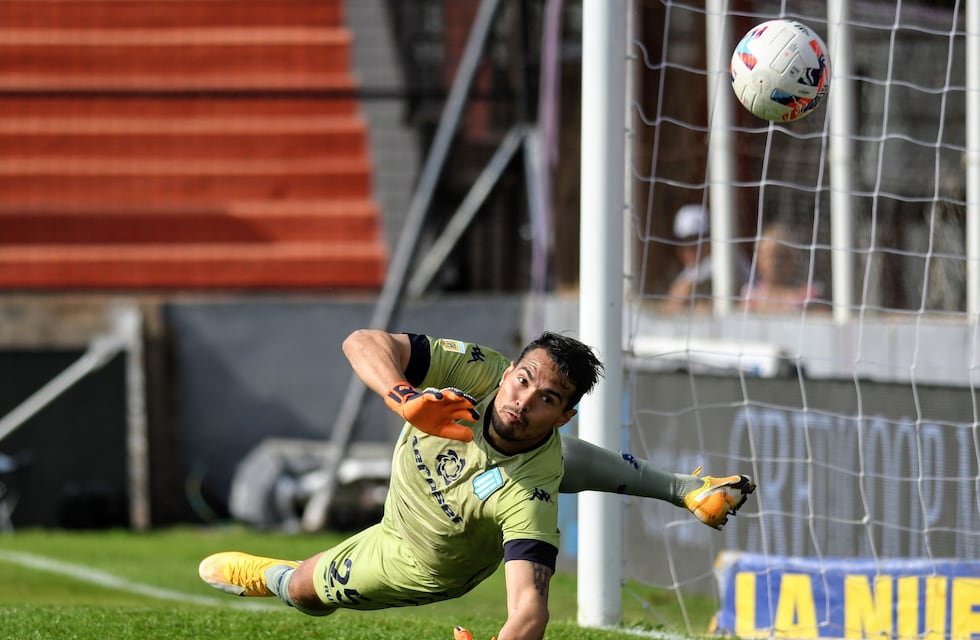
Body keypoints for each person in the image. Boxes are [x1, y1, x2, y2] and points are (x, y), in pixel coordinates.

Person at [199, 329, 755, 640]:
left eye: (548, 400)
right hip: (440, 492)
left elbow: (530, 612)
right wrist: (404, 396)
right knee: (556, 460)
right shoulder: (478, 372)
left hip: (415, 555)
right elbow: (359, 341)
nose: (523, 400)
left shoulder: (530, 498)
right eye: (524, 380)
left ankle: (273, 578)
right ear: (510, 368)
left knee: (304, 590)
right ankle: (685, 487)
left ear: (563, 415)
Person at [664, 204, 751, 312]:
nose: (689, 248)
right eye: (685, 243)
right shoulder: (691, 269)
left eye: (696, 240)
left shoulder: (725, 257)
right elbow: (671, 303)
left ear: (710, 239)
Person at [741, 221, 823, 313]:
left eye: (781, 256)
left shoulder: (808, 298)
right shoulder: (751, 298)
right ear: (758, 259)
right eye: (768, 255)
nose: (775, 262)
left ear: (793, 259)